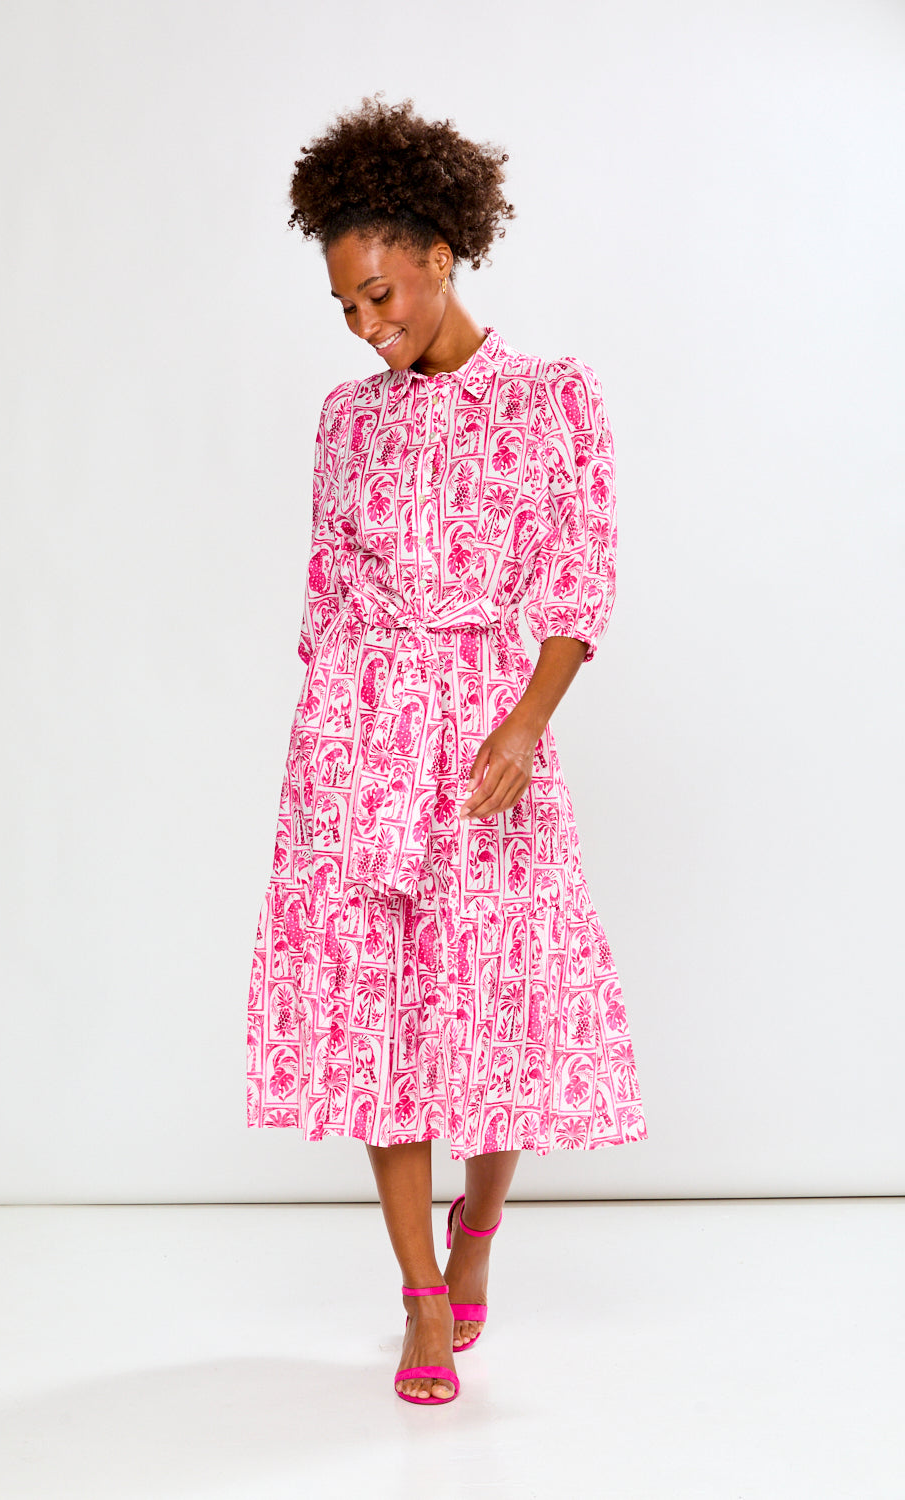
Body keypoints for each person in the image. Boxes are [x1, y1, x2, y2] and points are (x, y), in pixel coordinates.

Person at [246, 94, 648, 1406]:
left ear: (435, 249)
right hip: (358, 749)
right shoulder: (346, 420)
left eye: (380, 292)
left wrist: (526, 727)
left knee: (492, 1015)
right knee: (380, 1022)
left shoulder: (549, 401)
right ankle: (422, 1296)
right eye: (345, 309)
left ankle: (478, 1230)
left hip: (485, 744)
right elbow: (326, 603)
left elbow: (576, 589)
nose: (368, 325)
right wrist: (327, 769)